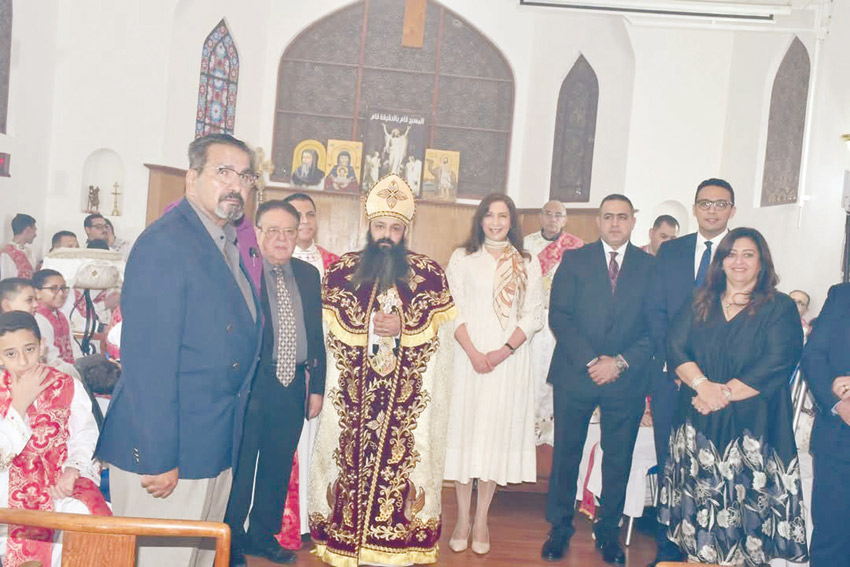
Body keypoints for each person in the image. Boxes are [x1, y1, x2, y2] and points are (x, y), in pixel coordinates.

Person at [96, 133, 262, 567]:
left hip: (211, 443)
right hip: (170, 456)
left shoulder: (224, 243)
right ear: (191, 178)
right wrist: (159, 457)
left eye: (244, 176)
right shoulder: (166, 243)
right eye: (223, 172)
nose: (235, 185)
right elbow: (148, 363)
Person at [309, 174, 457, 567]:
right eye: (380, 227)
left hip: (406, 404)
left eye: (395, 228)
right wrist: (369, 327)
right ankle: (345, 541)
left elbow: (443, 344)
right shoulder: (342, 272)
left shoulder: (429, 274)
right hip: (352, 400)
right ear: (369, 226)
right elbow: (323, 335)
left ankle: (397, 545)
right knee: (349, 466)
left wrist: (404, 327)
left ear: (406, 230)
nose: (386, 235)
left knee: (401, 468)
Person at [658, 227, 807, 566]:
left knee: (746, 524)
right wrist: (702, 385)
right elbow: (675, 347)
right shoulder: (699, 300)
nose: (739, 261)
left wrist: (719, 393)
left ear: (762, 262)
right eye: (731, 254)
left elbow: (777, 361)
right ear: (721, 261)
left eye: (748, 254)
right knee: (699, 521)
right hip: (698, 420)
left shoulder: (780, 307)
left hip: (753, 425)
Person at [541, 194, 655, 565]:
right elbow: (560, 316)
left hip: (626, 377)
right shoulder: (575, 260)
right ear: (598, 221)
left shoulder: (649, 267)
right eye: (608, 217)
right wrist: (592, 361)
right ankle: (559, 529)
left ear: (633, 221)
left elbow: (656, 327)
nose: (615, 223)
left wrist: (619, 363)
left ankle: (608, 533)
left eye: (622, 217)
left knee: (618, 458)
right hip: (577, 371)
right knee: (566, 454)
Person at [226, 200, 325, 567]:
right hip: (253, 382)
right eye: (273, 231)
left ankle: (262, 536)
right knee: (242, 465)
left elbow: (315, 335)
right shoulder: (243, 270)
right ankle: (232, 539)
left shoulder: (308, 275)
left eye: (289, 231)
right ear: (258, 233)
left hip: (293, 383)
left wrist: (317, 387)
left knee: (278, 464)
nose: (282, 239)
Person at [444, 194, 544, 555]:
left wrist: (502, 352)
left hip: (508, 362)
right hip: (466, 358)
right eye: (490, 215)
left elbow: (533, 315)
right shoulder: (462, 257)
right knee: (466, 434)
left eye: (503, 216)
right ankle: (462, 518)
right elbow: (450, 309)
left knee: (492, 437)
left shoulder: (526, 262)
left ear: (512, 221)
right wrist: (474, 353)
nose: (496, 222)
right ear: (480, 219)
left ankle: (482, 519)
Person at [644, 178, 736, 566]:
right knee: (671, 463)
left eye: (720, 204)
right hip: (671, 376)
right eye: (705, 203)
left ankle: (712, 549)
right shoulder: (672, 251)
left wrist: (706, 377)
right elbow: (655, 310)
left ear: (732, 209)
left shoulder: (741, 252)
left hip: (721, 383)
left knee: (714, 465)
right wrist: (678, 363)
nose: (712, 210)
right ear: (695, 208)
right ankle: (670, 549)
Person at [0, 311, 110, 567]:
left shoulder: (67, 385)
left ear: (42, 346)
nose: (23, 361)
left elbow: (85, 436)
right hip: (5, 487)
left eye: (29, 349)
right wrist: (19, 405)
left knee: (90, 516)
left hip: (58, 484)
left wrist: (72, 469)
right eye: (11, 354)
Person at [274, 192, 338, 549]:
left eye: (310, 214)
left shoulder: (334, 264)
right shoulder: (272, 260)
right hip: (286, 369)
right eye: (297, 215)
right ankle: (283, 522)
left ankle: (313, 519)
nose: (305, 221)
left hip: (327, 366)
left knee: (318, 445)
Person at [523, 200, 584, 445]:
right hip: (531, 319)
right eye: (548, 214)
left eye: (558, 215)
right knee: (530, 374)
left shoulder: (576, 247)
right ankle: (526, 429)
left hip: (561, 322)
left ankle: (549, 430)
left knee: (553, 374)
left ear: (565, 219)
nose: (552, 219)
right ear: (540, 216)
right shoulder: (526, 244)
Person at [800, 283, 850, 567]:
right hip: (839, 442)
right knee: (831, 543)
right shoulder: (842, 296)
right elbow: (814, 356)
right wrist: (838, 404)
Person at [32, 269, 79, 364]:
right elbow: (49, 356)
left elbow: (74, 347)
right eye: (53, 289)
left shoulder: (61, 315)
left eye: (63, 288)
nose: (61, 293)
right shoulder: (37, 317)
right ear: (37, 293)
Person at [1, 214, 37, 279]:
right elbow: (6, 280)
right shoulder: (6, 253)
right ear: (28, 230)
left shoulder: (30, 252)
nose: (35, 235)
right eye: (34, 230)